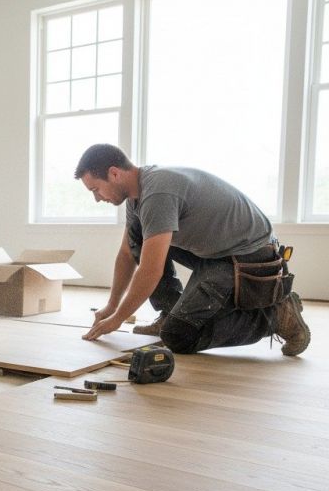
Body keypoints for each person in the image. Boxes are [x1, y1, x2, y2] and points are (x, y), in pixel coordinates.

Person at [73, 144, 310, 356]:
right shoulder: (137, 196)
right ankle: (170, 312)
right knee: (138, 234)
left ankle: (277, 316)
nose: (97, 199)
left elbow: (150, 270)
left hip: (248, 254)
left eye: (95, 189)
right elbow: (127, 254)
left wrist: (118, 319)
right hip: (218, 250)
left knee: (178, 336)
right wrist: (112, 306)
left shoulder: (158, 193)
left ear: (114, 173)